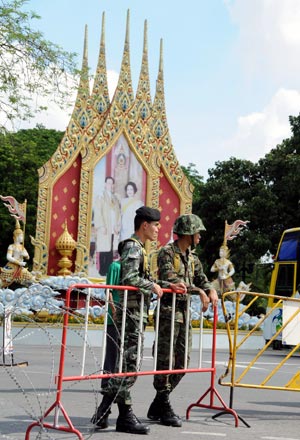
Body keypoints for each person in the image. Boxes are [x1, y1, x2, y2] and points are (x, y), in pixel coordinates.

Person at [91, 206, 186, 434]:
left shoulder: (139, 249)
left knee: (127, 366)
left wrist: (166, 285)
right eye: (155, 225)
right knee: (129, 366)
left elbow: (142, 278)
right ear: (144, 225)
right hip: (130, 315)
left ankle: (106, 412)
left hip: (134, 314)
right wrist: (151, 286)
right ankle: (121, 415)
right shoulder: (134, 248)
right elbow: (130, 277)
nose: (157, 230)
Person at [147, 214, 218, 427]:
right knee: (165, 360)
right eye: (197, 232)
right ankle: (164, 404)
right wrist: (200, 291)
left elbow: (201, 279)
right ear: (188, 232)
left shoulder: (192, 257)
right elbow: (174, 282)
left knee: (182, 363)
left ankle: (159, 402)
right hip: (169, 314)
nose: (199, 236)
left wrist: (210, 289)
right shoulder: (167, 253)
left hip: (184, 314)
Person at [94, 176, 121, 276]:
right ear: (105, 184)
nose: (110, 185)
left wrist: (117, 225)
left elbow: (118, 212)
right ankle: (102, 271)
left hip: (113, 227)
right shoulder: (100, 196)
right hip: (105, 226)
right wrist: (101, 226)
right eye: (108, 183)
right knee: (103, 249)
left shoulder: (115, 198)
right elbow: (98, 212)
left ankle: (108, 270)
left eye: (111, 183)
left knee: (110, 249)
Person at [0, 220, 35, 288]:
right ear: (16, 237)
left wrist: (26, 255)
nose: (22, 238)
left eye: (22, 236)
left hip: (20, 269)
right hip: (11, 267)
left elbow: (28, 257)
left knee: (31, 279)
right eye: (21, 236)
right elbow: (9, 257)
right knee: (2, 282)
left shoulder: (22, 247)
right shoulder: (11, 246)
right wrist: (19, 263)